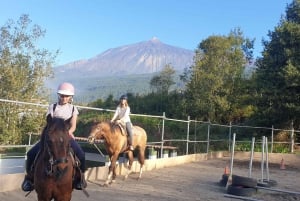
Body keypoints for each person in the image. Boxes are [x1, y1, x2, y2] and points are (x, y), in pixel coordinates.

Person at [21, 82, 87, 191]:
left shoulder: (73, 109)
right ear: (58, 95)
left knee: (81, 154)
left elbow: (73, 126)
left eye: (66, 96)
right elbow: (49, 123)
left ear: (71, 97)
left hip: (66, 136)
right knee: (31, 153)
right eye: (62, 95)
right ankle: (29, 178)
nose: (64, 98)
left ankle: (80, 178)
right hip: (52, 136)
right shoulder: (53, 107)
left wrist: (68, 133)